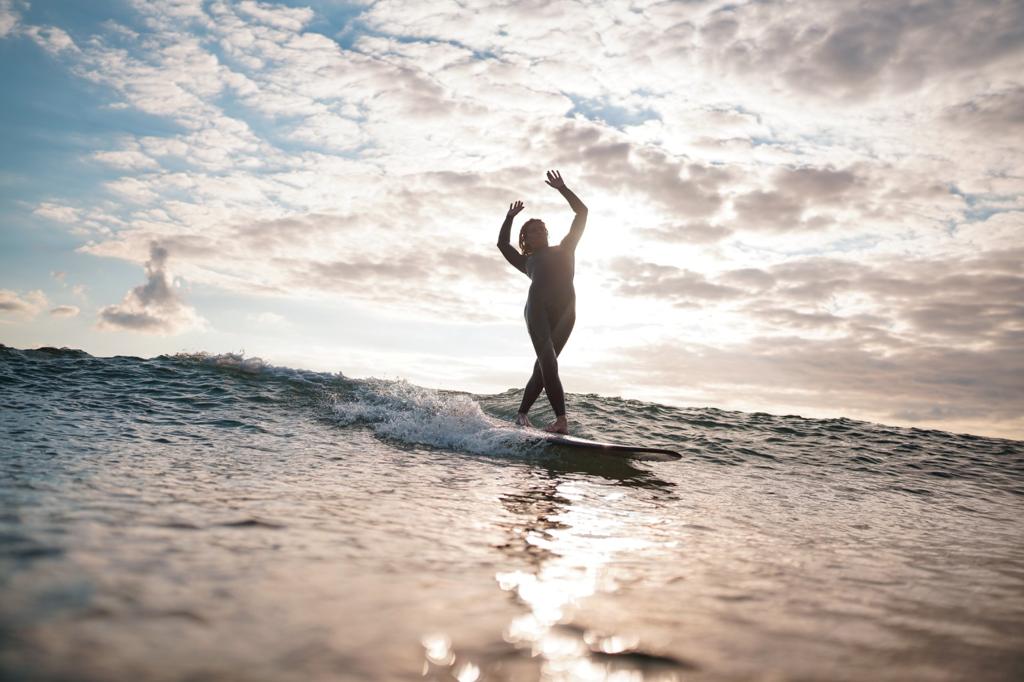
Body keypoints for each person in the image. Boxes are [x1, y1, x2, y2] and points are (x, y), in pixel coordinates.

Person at [496, 169, 588, 434]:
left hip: (566, 312)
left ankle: (522, 413)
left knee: (544, 365)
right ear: (526, 239)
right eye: (534, 230)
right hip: (537, 309)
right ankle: (561, 420)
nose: (540, 232)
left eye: (542, 228)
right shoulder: (527, 261)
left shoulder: (566, 247)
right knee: (548, 360)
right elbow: (503, 244)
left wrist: (563, 188)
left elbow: (582, 213)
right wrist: (509, 218)